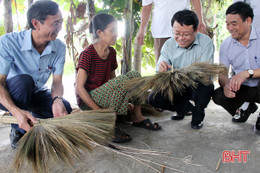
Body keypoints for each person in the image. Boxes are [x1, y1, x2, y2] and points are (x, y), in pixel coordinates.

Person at [75, 13, 161, 143]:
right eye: (112, 30)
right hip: (89, 100)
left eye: (117, 30)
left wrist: (125, 102)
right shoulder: (88, 54)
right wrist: (98, 111)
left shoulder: (112, 53)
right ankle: (109, 124)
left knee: (135, 78)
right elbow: (79, 88)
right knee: (131, 76)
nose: (116, 34)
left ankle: (137, 117)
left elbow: (114, 82)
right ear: (100, 32)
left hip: (105, 96)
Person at [0, 0, 72, 149]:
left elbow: (57, 82)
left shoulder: (59, 47)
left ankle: (31, 114)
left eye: (61, 22)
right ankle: (17, 129)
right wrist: (15, 111)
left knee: (65, 108)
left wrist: (57, 100)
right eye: (56, 23)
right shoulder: (8, 42)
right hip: (11, 95)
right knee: (24, 82)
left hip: (36, 93)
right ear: (36, 23)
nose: (60, 27)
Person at [148, 9, 214, 129]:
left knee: (206, 87)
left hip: (197, 83)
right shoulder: (168, 44)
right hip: (178, 84)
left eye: (186, 34)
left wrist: (183, 74)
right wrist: (162, 67)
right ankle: (184, 108)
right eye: (177, 33)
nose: (181, 38)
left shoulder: (206, 43)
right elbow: (161, 65)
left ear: (196, 30)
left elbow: (205, 71)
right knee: (154, 98)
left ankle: (198, 115)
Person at [213, 2, 260, 131]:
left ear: (248, 21)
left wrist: (246, 73)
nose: (230, 28)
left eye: (234, 23)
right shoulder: (226, 45)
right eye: (227, 23)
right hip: (243, 88)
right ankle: (245, 108)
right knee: (218, 95)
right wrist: (226, 85)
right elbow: (222, 74)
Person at [137, 0, 206, 63]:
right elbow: (146, 7)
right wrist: (142, 30)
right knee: (163, 69)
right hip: (161, 32)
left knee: (186, 67)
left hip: (185, 30)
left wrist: (200, 20)